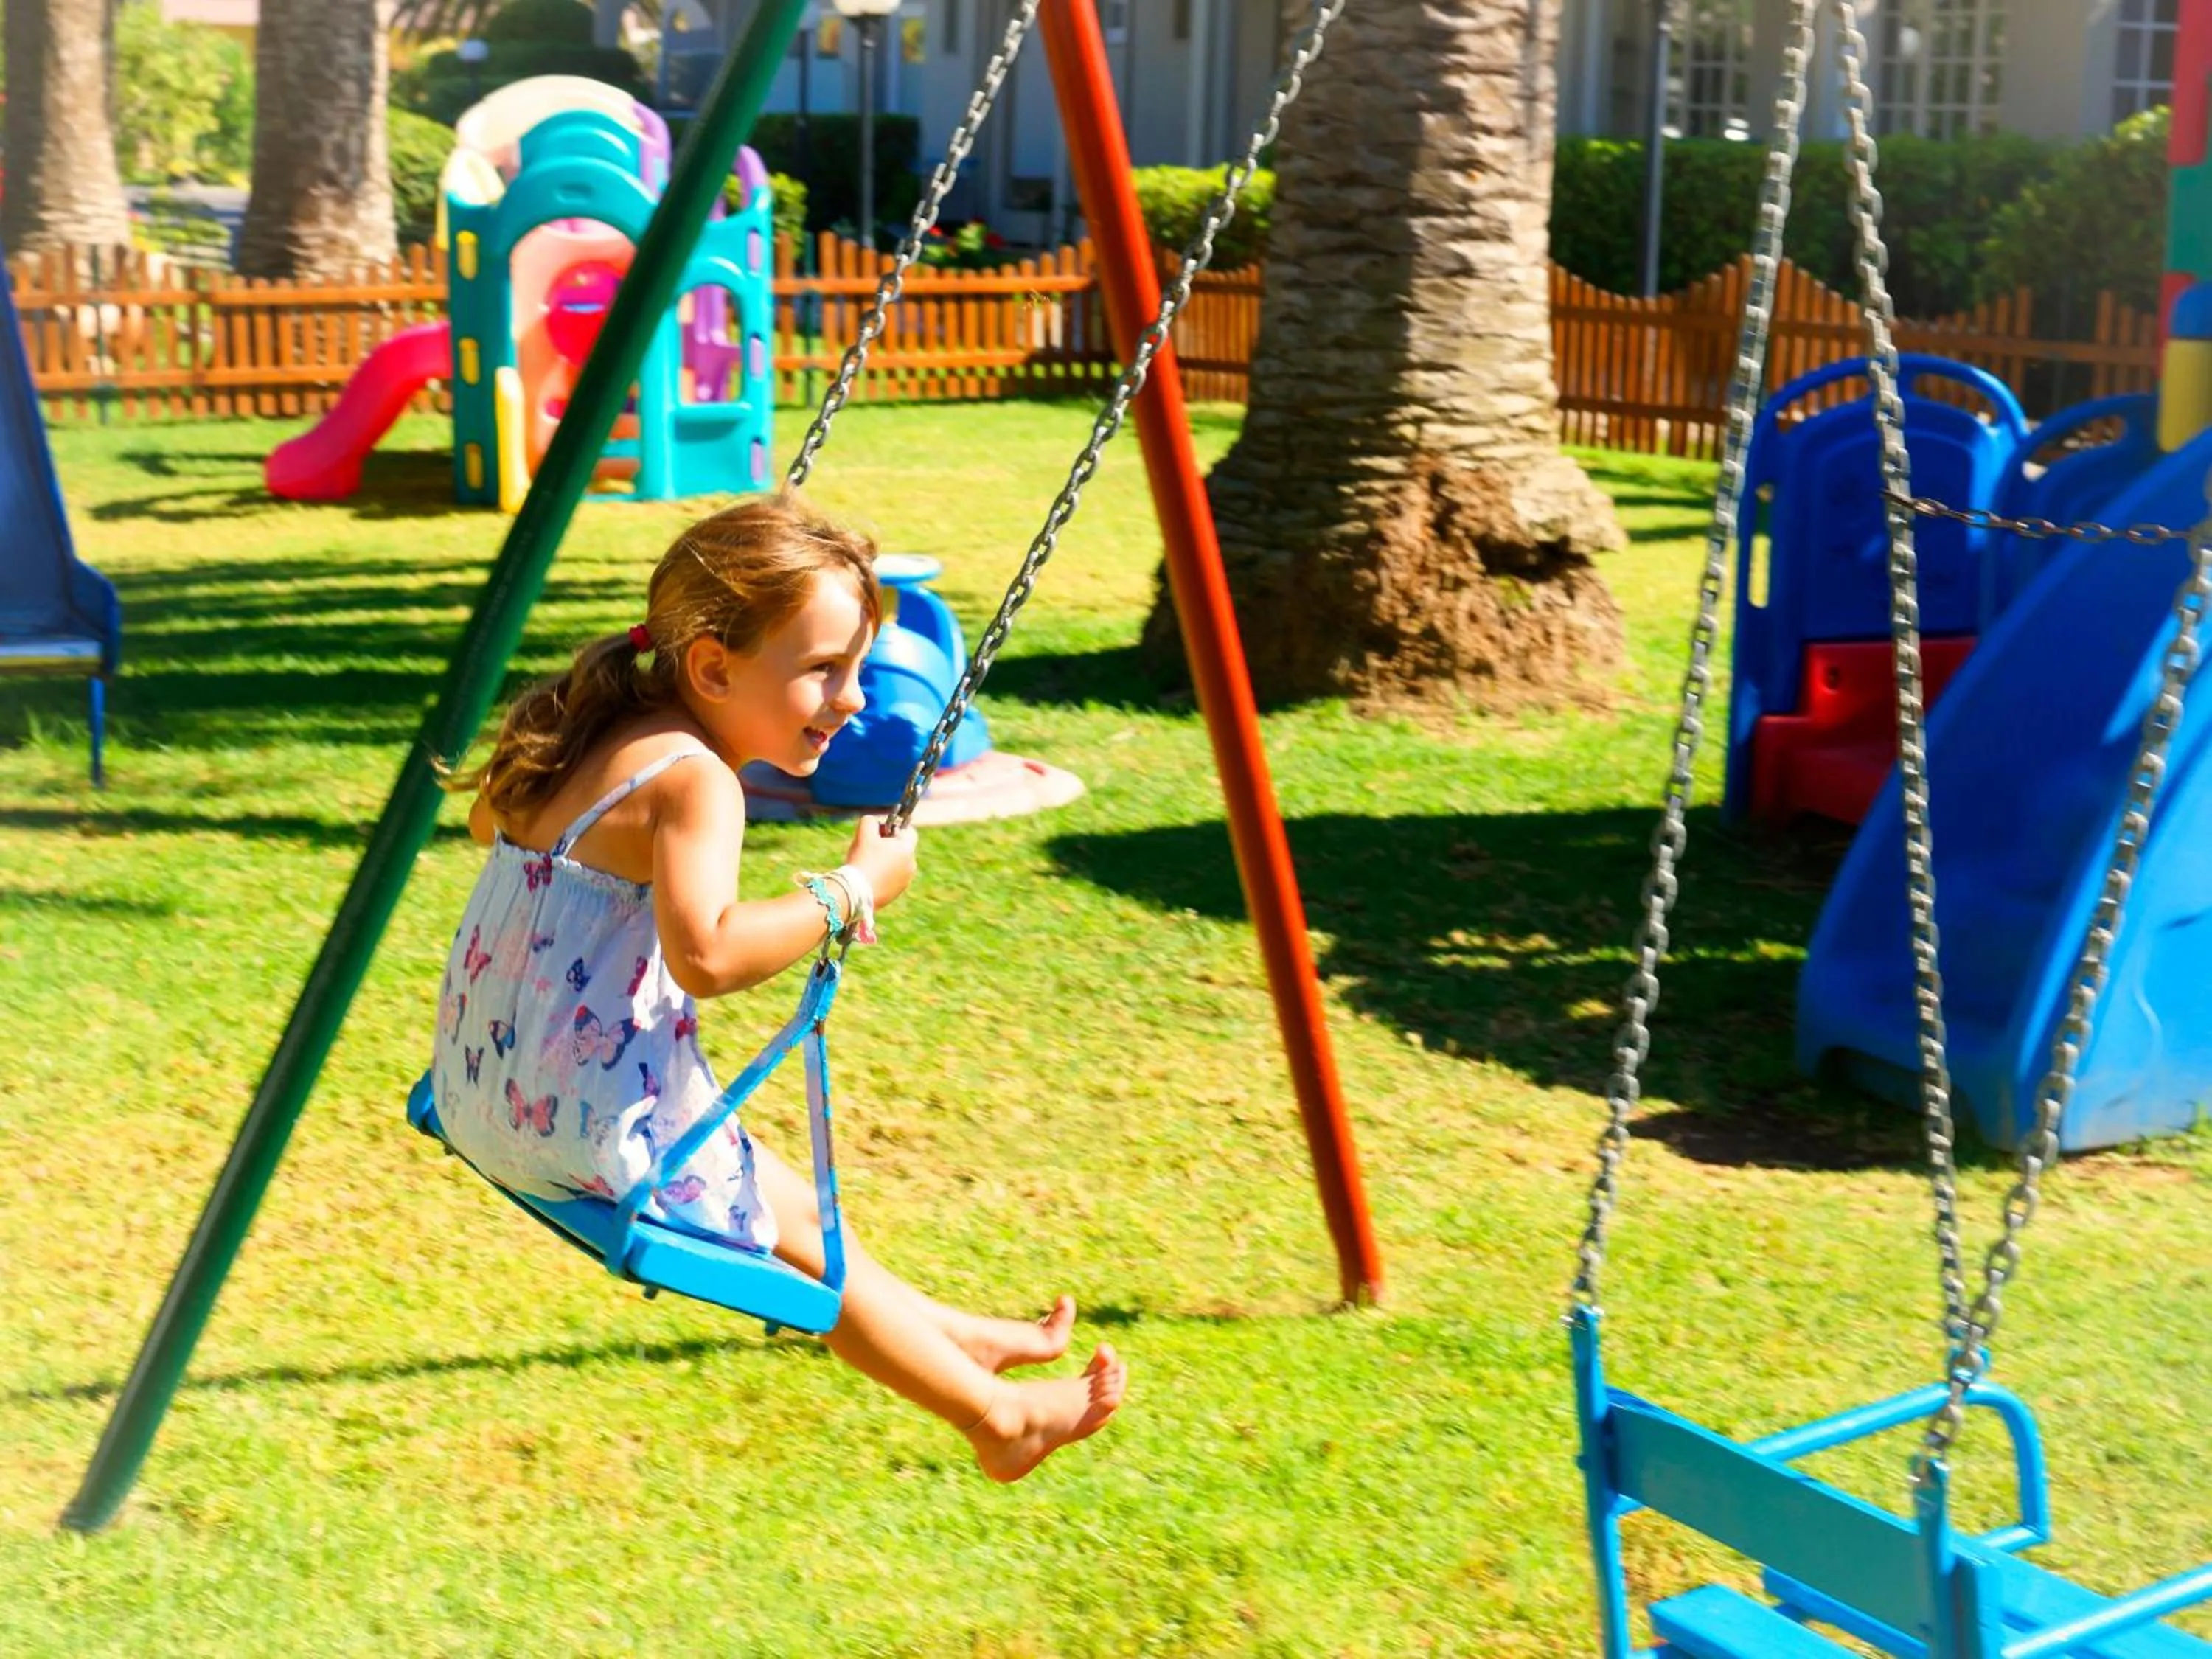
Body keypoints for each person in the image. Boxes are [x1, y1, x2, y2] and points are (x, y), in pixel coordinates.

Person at [430, 492, 1124, 1481]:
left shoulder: (582, 726)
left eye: (856, 669)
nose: (853, 698)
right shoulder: (695, 779)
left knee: (786, 1199)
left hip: (479, 1090)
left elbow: (490, 830)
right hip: (583, 1127)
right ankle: (994, 1417)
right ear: (713, 666)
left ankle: (945, 1337)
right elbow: (707, 953)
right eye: (823, 671)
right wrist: (850, 890)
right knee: (794, 1238)